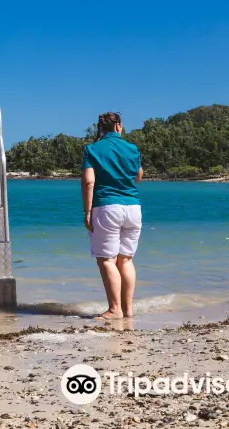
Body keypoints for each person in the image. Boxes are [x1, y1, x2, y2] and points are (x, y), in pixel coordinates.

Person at [81, 111, 144, 321]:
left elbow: (89, 181)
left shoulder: (92, 149)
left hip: (106, 206)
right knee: (125, 260)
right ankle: (128, 311)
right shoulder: (132, 148)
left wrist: (87, 211)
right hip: (133, 207)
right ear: (119, 125)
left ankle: (114, 309)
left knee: (107, 260)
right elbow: (139, 174)